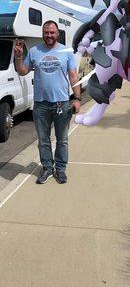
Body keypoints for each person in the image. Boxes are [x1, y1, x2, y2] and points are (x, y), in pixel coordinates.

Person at [14, 20, 81, 184]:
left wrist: (77, 98)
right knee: (43, 141)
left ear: (57, 34)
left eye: (52, 32)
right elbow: (23, 71)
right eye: (46, 32)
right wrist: (18, 57)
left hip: (62, 103)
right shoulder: (35, 51)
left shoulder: (66, 51)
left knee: (62, 140)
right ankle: (47, 168)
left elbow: (73, 75)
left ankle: (60, 169)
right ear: (42, 34)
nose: (49, 35)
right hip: (41, 105)